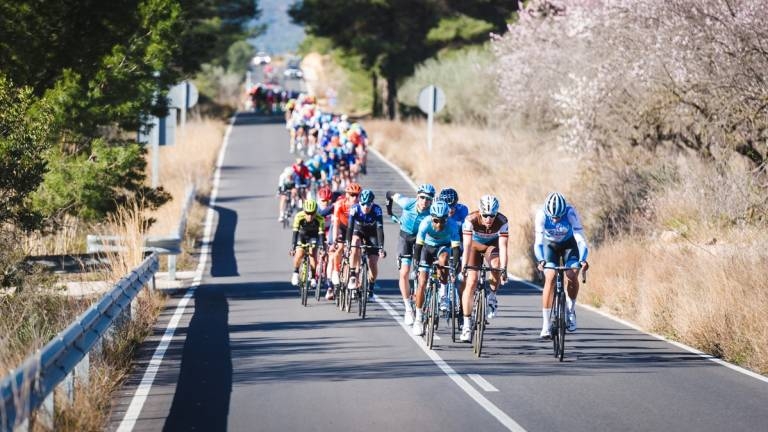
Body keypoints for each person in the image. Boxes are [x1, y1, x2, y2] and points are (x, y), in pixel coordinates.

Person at [534, 192, 589, 338]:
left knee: (571, 275)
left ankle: (570, 311)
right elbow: (538, 242)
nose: (554, 219)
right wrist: (540, 260)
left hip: (569, 246)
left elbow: (581, 240)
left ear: (564, 211)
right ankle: (545, 325)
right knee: (550, 277)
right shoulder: (541, 214)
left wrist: (583, 259)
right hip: (549, 246)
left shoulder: (571, 212)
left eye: (558, 216)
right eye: (552, 216)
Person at [460, 195, 509, 342]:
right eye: (486, 215)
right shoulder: (470, 220)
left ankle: (492, 297)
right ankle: (467, 325)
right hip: (474, 247)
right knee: (472, 282)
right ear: (480, 212)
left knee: (496, 265)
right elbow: (467, 246)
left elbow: (503, 247)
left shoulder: (502, 221)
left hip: (491, 247)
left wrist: (504, 269)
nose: (489, 219)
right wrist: (463, 267)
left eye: (492, 215)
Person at [385, 183, 435, 325]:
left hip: (422, 239)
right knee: (404, 272)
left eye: (429, 199)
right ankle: (408, 309)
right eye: (422, 197)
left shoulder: (432, 211)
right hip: (405, 237)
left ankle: (421, 299)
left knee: (423, 273)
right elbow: (389, 192)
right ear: (417, 196)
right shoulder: (406, 202)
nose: (425, 201)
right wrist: (389, 211)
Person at [411, 200, 461, 336]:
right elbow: (418, 246)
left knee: (444, 259)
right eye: (436, 220)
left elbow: (456, 249)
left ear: (447, 218)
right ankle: (418, 319)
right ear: (431, 217)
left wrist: (455, 266)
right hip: (426, 248)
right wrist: (416, 263)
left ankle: (443, 293)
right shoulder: (425, 223)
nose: (439, 224)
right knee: (422, 282)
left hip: (443, 248)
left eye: (442, 220)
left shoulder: (452, 225)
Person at [345, 189, 386, 299]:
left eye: (368, 204)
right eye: (363, 204)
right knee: (355, 243)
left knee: (373, 263)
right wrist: (348, 244)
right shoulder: (354, 209)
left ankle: (371, 287)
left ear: (372, 203)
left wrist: (381, 247)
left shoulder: (377, 210)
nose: (365, 207)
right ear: (359, 203)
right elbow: (349, 228)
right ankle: (353, 274)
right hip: (359, 231)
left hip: (373, 234)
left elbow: (380, 229)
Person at [289, 199, 327, 288]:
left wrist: (322, 248)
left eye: (312, 213)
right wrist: (293, 247)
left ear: (315, 212)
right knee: (300, 253)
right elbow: (295, 233)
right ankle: (295, 272)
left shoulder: (320, 219)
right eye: (307, 213)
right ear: (304, 211)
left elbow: (321, 235)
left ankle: (313, 277)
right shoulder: (299, 216)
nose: (309, 216)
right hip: (302, 235)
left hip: (313, 236)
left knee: (313, 253)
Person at [330, 182, 361, 290]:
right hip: (342, 227)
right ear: (347, 195)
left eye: (357, 195)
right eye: (352, 195)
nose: (355, 197)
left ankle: (355, 279)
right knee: (340, 248)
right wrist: (335, 239)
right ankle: (335, 270)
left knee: (357, 250)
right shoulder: (340, 204)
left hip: (355, 228)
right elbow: (336, 224)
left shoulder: (360, 205)